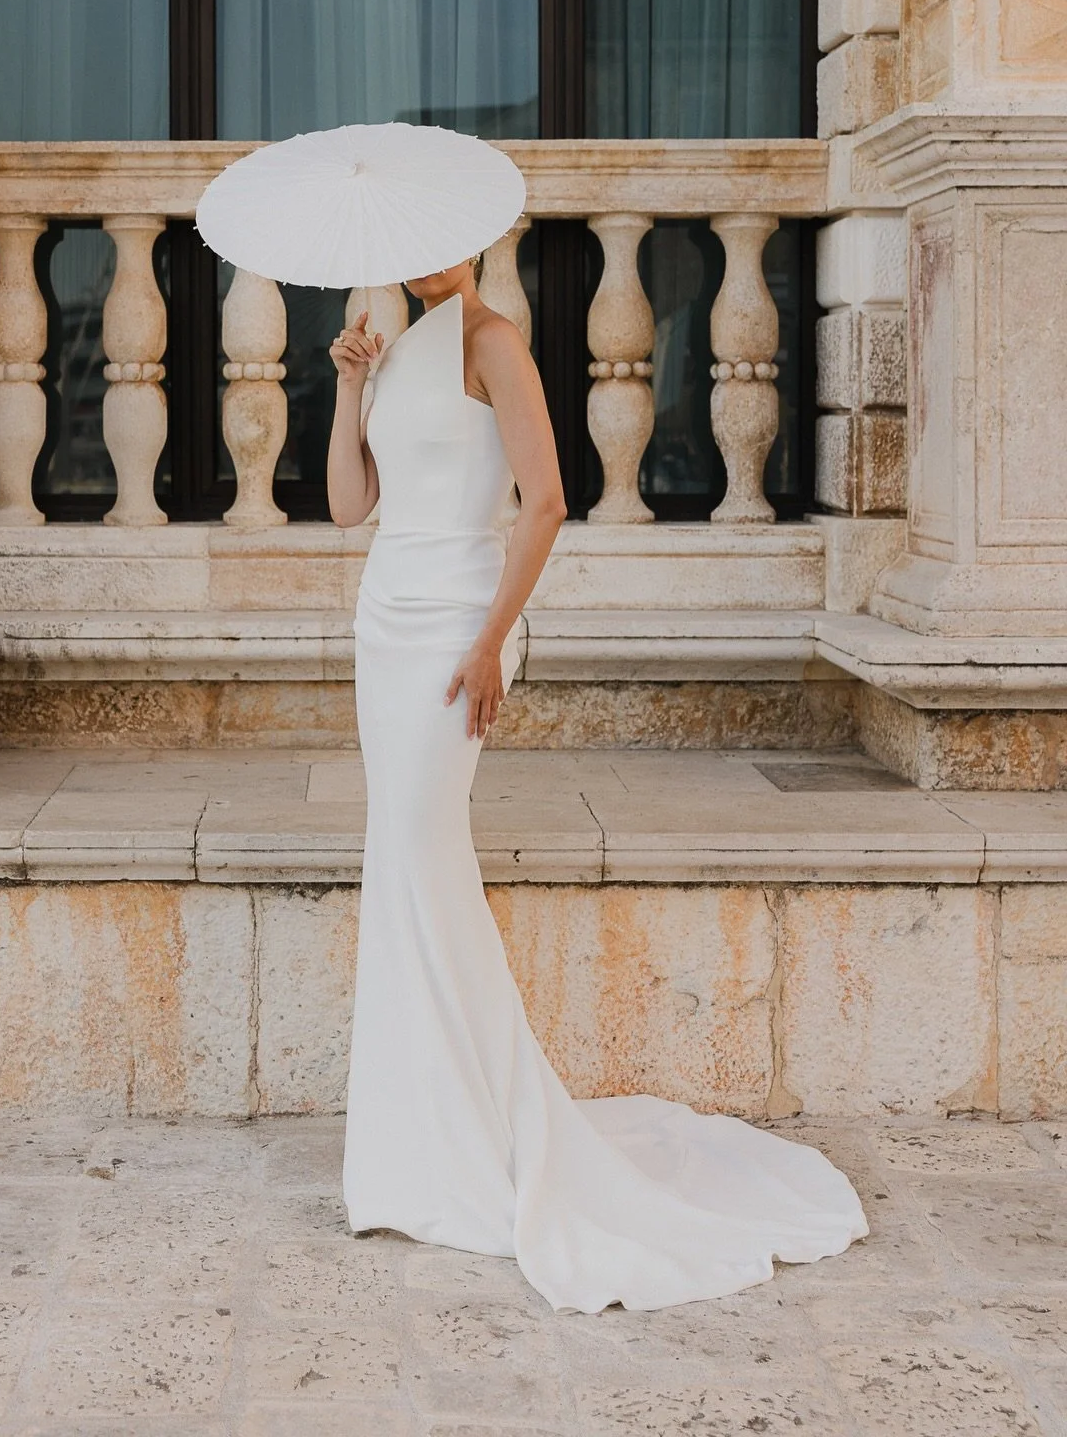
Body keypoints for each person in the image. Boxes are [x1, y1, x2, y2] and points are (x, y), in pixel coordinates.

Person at [326, 257, 867, 1313]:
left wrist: (492, 642)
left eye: (450, 240)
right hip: (383, 623)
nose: (427, 258)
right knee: (399, 866)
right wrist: (348, 382)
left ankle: (474, 1138)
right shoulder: (388, 349)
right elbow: (350, 507)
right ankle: (416, 1141)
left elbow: (547, 502)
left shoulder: (494, 343)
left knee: (427, 863)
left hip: (453, 630)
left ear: (477, 245)